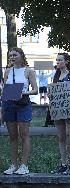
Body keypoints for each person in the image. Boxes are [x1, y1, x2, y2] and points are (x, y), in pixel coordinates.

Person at [2, 47, 38, 175]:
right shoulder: (7, 71)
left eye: (14, 55)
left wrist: (24, 92)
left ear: (21, 56)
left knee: (24, 134)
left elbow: (35, 89)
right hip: (9, 104)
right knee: (12, 136)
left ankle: (24, 165)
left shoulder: (29, 71)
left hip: (23, 104)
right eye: (10, 55)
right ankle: (13, 165)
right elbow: (5, 87)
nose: (12, 57)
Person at [50, 53, 70, 175]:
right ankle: (63, 164)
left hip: (69, 110)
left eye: (60, 60)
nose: (57, 62)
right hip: (58, 111)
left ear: (66, 61)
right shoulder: (55, 76)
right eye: (56, 60)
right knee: (61, 138)